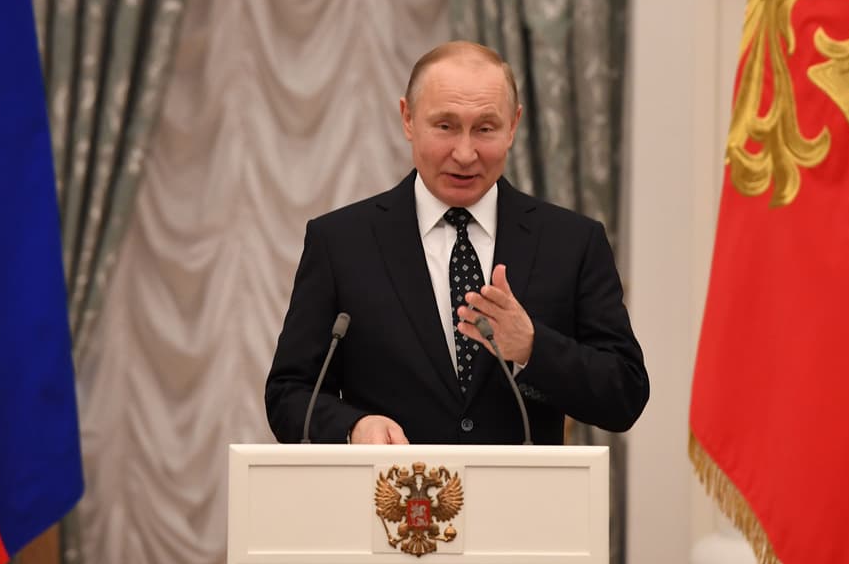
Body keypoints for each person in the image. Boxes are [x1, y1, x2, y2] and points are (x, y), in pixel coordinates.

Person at [265, 41, 648, 444]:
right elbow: (288, 394)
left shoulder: (572, 243)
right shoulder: (341, 243)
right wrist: (353, 426)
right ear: (408, 119)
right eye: (445, 126)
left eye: (485, 129)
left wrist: (533, 347)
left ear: (513, 126)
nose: (465, 154)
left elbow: (625, 394)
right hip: (392, 499)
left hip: (523, 502)